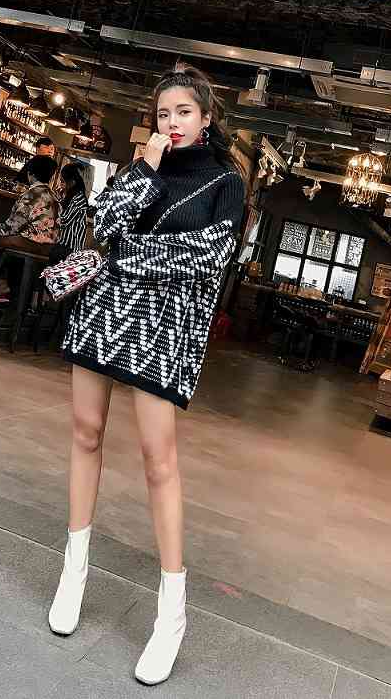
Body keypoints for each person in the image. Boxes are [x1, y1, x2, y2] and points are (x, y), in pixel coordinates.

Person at [50, 64, 245, 685]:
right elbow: (101, 224)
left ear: (207, 117)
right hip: (104, 310)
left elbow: (204, 259)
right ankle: (73, 573)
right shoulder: (144, 169)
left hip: (166, 326)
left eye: (184, 111)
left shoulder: (226, 182)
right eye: (164, 113)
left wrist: (126, 258)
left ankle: (172, 612)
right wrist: (145, 171)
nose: (173, 122)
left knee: (159, 461)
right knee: (85, 433)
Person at [0, 155, 60, 300]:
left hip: (32, 242)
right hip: (49, 247)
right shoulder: (54, 195)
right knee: (7, 246)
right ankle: (8, 287)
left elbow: (14, 225)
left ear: (30, 173)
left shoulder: (32, 194)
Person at [57, 163, 89, 255]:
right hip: (64, 244)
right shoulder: (71, 196)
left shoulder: (78, 199)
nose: (61, 184)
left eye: (63, 181)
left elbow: (64, 220)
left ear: (72, 182)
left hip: (70, 247)